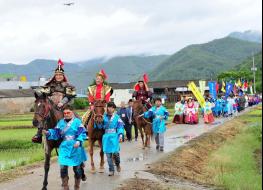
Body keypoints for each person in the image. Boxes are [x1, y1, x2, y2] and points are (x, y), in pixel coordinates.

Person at [43, 105, 87, 190]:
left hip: (75, 147)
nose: (66, 114)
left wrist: (78, 141)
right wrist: (48, 133)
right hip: (64, 147)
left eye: (68, 112)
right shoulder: (60, 123)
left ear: (72, 113)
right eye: (65, 113)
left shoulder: (78, 122)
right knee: (63, 168)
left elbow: (82, 133)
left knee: (77, 169)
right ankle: (65, 187)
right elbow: (56, 133)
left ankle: (77, 187)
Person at [32, 59, 76, 144]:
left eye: (60, 75)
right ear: (54, 76)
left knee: (75, 116)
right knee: (43, 115)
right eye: (57, 75)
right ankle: (38, 135)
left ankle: (81, 132)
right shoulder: (49, 85)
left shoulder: (68, 85)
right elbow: (44, 96)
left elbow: (69, 96)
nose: (58, 76)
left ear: (63, 76)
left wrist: (62, 102)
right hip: (51, 106)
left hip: (64, 106)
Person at [102, 102, 124, 176]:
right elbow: (99, 126)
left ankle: (117, 164)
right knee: (108, 155)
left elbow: (120, 127)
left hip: (114, 137)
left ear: (114, 109)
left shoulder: (117, 117)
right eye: (109, 107)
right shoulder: (103, 116)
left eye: (112, 107)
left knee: (115, 153)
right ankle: (111, 170)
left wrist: (120, 135)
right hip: (106, 137)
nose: (110, 109)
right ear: (107, 108)